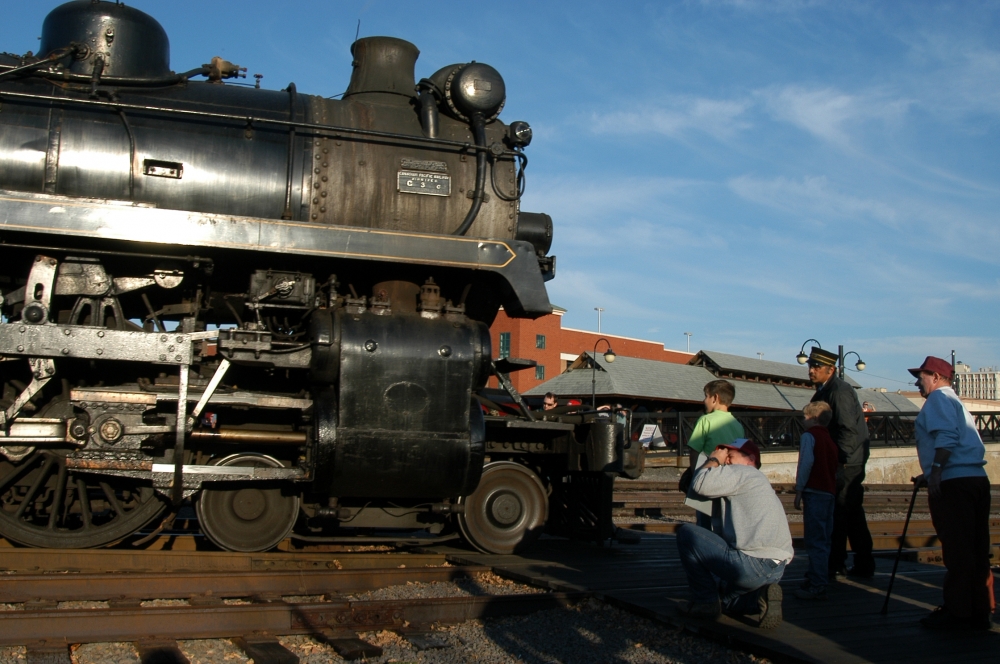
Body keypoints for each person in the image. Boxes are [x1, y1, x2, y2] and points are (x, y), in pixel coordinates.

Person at [910, 356, 994, 631]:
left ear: (935, 376)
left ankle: (959, 612)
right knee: (977, 548)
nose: (917, 381)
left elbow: (946, 437)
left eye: (920, 376)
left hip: (955, 483)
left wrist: (936, 471)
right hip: (975, 478)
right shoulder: (957, 403)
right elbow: (961, 442)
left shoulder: (938, 400)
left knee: (958, 550)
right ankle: (980, 609)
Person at [676, 439, 793, 629]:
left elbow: (701, 485)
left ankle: (704, 602)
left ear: (751, 459)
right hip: (775, 569)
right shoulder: (758, 482)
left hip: (750, 564)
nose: (726, 461)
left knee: (686, 534)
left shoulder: (745, 472)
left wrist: (714, 459)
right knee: (725, 601)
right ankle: (760, 598)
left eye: (730, 456)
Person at [806, 347, 875, 578]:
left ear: (831, 370)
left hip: (848, 462)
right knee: (850, 513)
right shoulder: (827, 389)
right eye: (810, 366)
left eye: (816, 367)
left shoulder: (839, 392)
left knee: (842, 514)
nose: (811, 370)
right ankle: (859, 564)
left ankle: (838, 563)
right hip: (846, 459)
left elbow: (848, 429)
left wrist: (840, 463)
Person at [685, 380, 745, 528]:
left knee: (705, 520)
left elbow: (694, 450)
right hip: (730, 478)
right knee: (724, 520)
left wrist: (694, 475)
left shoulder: (705, 420)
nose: (704, 400)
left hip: (709, 476)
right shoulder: (737, 425)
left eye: (706, 396)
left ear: (715, 398)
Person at [793, 401, 838, 600]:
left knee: (814, 539)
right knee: (824, 538)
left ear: (813, 419)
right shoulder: (829, 439)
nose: (803, 421)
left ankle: (817, 582)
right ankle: (819, 575)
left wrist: (799, 490)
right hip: (829, 492)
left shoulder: (809, 436)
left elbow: (806, 463)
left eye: (805, 417)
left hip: (814, 491)